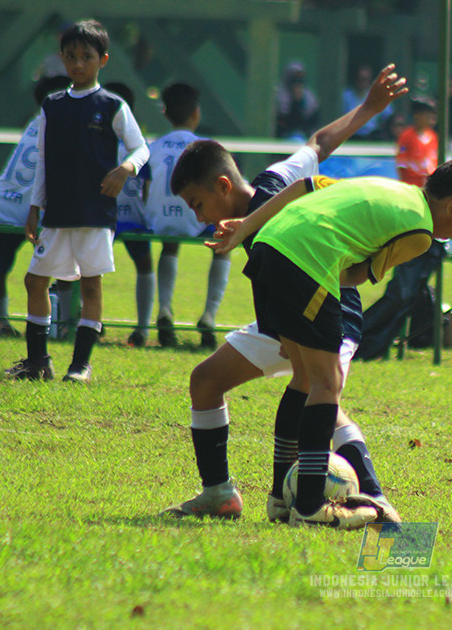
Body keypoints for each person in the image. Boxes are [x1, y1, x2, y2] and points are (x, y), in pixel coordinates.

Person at [161, 65, 409, 524]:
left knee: (320, 392)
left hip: (332, 313)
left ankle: (372, 494)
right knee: (205, 382)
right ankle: (220, 494)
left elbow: (318, 146)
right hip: (278, 321)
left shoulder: (274, 194)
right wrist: (368, 107)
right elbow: (319, 143)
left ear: (222, 185)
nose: (198, 217)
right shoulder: (268, 189)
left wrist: (374, 109)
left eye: (198, 204)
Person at [210, 155, 452, 529]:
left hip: (267, 246)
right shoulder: (421, 232)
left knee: (304, 377)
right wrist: (308, 299)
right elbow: (357, 275)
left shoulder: (387, 186)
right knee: (328, 384)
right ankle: (310, 505)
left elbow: (304, 186)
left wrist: (247, 227)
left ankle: (281, 498)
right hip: (306, 261)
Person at [0, 19, 149, 383]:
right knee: (35, 281)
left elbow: (141, 148)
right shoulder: (52, 105)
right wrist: (34, 207)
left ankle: (80, 366)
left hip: (95, 213)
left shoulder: (112, 105)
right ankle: (38, 362)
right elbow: (43, 159)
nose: (78, 64)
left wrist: (124, 168)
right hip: (57, 214)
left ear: (103, 60)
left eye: (87, 57)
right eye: (71, 56)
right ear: (62, 59)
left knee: (91, 285)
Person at [142, 82, 231, 349]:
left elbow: (145, 187)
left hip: (158, 220)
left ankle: (165, 310)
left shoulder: (154, 146)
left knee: (170, 245)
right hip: (194, 217)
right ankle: (209, 316)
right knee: (222, 249)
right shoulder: (206, 147)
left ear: (166, 113)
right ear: (196, 113)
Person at [0, 75, 71, 338]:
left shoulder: (35, 120)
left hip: (1, 204)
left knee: (0, 267)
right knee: (65, 265)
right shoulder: (61, 123)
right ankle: (66, 323)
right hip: (32, 208)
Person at [355, 98, 443, 361]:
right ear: (417, 115)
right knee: (400, 290)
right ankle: (361, 334)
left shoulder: (433, 138)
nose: (431, 119)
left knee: (406, 291)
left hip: (429, 207)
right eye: (427, 114)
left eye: (433, 114)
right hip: (413, 204)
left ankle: (382, 339)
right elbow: (405, 171)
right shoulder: (406, 137)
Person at [104, 82, 154, 348]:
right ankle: (143, 328)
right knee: (144, 266)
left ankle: (86, 320)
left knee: (88, 268)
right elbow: (147, 187)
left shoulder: (100, 140)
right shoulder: (139, 146)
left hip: (105, 216)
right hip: (133, 217)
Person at [342, 64, 392, 140]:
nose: (364, 82)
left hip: (373, 137)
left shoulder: (378, 95)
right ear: (355, 79)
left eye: (366, 79)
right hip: (351, 136)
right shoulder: (346, 96)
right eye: (361, 79)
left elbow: (389, 116)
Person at [275, 61, 319, 140]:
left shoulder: (310, 98)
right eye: (294, 80)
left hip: (305, 137)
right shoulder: (279, 97)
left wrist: (300, 101)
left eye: (300, 80)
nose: (297, 84)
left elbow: (312, 122)